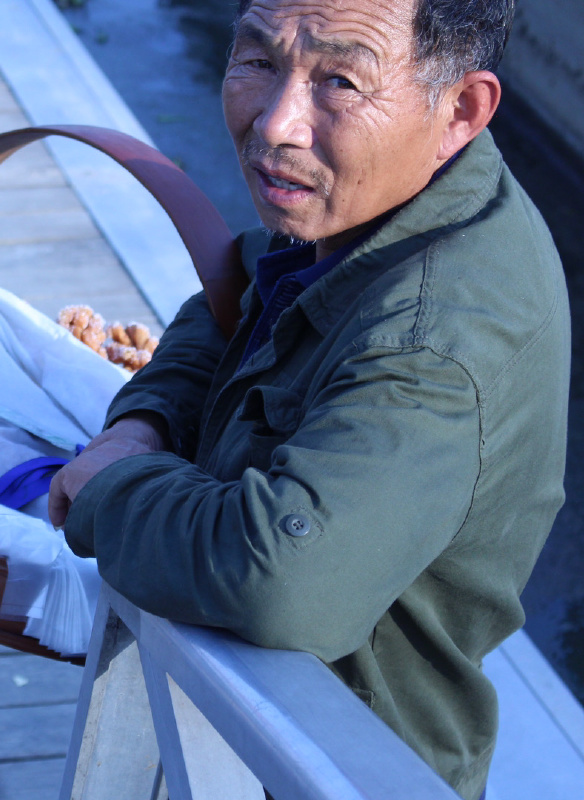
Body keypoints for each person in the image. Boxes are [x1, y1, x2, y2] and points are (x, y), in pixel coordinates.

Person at [47, 0, 570, 797]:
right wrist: (143, 424)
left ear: (461, 108)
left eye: (340, 81)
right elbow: (245, 290)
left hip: (334, 763)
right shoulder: (382, 195)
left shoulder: (433, 343)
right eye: (257, 59)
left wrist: (107, 492)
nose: (275, 123)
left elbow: (279, 579)